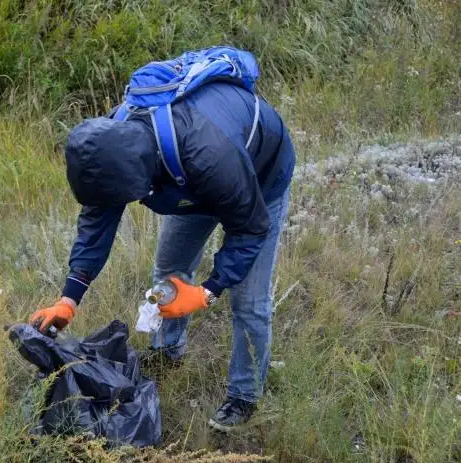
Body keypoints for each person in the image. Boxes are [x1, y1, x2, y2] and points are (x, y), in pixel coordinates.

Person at [29, 80, 295, 432]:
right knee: (169, 269)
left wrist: (206, 292)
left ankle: (245, 394)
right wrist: (69, 299)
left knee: (249, 301)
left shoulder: (208, 154)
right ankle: (167, 352)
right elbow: (97, 223)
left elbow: (250, 229)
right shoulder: (109, 144)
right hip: (193, 181)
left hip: (259, 179)